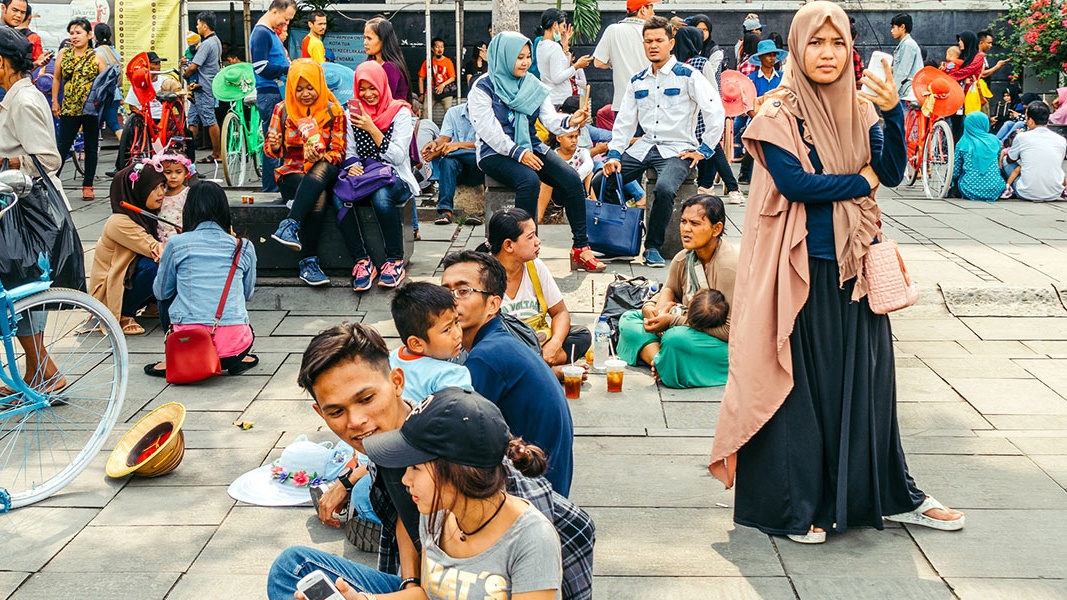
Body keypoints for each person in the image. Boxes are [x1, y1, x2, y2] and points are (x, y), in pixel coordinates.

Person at [709, 1, 964, 545]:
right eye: (815, 43)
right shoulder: (776, 114)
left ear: (850, 50)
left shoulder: (863, 106)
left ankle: (893, 494)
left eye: (837, 44)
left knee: (868, 389)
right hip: (802, 274)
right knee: (804, 390)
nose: (827, 54)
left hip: (859, 270)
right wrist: (861, 179)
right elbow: (798, 186)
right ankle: (801, 505)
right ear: (797, 50)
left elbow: (892, 172)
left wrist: (894, 114)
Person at [266, 323, 595, 600]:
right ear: (320, 413)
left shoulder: (466, 453)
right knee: (292, 568)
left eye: (366, 399)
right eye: (335, 411)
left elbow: (540, 554)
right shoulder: (392, 454)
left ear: (397, 382)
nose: (355, 422)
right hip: (433, 586)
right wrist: (408, 583)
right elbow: (402, 513)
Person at [591, 17, 725, 268]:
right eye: (648, 41)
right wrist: (614, 155)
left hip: (677, 150)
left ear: (671, 43)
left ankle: (652, 246)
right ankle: (616, 242)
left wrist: (704, 149)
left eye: (659, 40)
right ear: (643, 44)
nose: (654, 46)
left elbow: (715, 109)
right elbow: (625, 123)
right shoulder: (637, 80)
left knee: (664, 189)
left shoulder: (688, 76)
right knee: (603, 180)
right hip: (644, 147)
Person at [442, 251, 575, 497]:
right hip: (540, 480)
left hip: (531, 492)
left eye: (463, 291)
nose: (450, 302)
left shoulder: (487, 356)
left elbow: (454, 434)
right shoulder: (496, 341)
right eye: (445, 292)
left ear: (493, 304)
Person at [469, 31, 603, 273]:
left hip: (530, 144)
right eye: (518, 57)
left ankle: (581, 248)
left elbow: (550, 120)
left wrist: (572, 120)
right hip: (494, 152)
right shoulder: (483, 87)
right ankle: (524, 251)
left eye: (528, 57)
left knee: (572, 179)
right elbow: (489, 132)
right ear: (503, 56)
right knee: (529, 180)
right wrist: (519, 153)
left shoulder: (533, 85)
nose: (524, 62)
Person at [0, 26, 67, 395]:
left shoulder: (23, 100)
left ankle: (43, 369)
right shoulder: (16, 96)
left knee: (20, 288)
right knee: (20, 290)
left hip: (26, 210)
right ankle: (40, 369)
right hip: (17, 207)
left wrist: (4, 159)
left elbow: (47, 159)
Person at [615, 195, 735, 388]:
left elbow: (730, 331)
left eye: (695, 223)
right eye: (683, 222)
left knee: (675, 338)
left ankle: (665, 360)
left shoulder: (729, 266)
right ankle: (660, 362)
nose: (686, 229)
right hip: (686, 323)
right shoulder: (683, 258)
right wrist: (650, 307)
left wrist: (672, 321)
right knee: (629, 319)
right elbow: (670, 289)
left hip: (722, 343)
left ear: (716, 229)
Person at [144, 182, 259, 377]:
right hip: (235, 350)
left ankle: (173, 355)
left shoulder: (176, 243)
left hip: (189, 345)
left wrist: (166, 263)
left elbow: (161, 293)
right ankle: (232, 358)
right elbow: (247, 293)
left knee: (167, 296)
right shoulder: (244, 246)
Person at [335, 61, 418, 291]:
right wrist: (351, 166)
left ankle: (394, 260)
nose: (368, 94)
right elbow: (350, 152)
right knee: (338, 196)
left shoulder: (400, 112)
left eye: (373, 88)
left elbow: (399, 156)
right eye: (362, 88)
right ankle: (362, 261)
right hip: (365, 176)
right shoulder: (351, 113)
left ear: (382, 86)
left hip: (395, 177)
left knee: (381, 196)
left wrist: (372, 128)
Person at [480, 208, 593, 372]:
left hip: (536, 340)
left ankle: (534, 368)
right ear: (509, 245)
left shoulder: (535, 266)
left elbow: (560, 312)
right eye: (530, 237)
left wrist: (555, 344)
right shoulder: (482, 274)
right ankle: (550, 371)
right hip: (502, 345)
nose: (538, 241)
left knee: (581, 335)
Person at [266, 59, 347, 287]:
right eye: (298, 89)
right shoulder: (282, 110)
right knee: (317, 196)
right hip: (292, 173)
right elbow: (272, 153)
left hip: (325, 170)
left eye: (310, 87)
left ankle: (290, 225)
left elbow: (338, 152)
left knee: (320, 173)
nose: (305, 94)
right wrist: (274, 145)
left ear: (319, 84)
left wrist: (320, 156)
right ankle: (308, 262)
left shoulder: (334, 111)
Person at [88, 162, 167, 335]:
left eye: (163, 186)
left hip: (128, 279)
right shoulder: (119, 221)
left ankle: (152, 305)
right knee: (155, 264)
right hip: (109, 290)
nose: (161, 193)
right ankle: (125, 313)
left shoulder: (148, 214)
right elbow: (155, 249)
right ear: (137, 190)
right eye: (154, 188)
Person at [676, 21, 740, 203]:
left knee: (712, 149)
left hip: (699, 116)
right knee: (710, 149)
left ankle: (729, 187)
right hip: (695, 116)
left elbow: (711, 91)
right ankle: (710, 186)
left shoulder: (689, 62)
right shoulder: (691, 62)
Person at [389, 282, 472, 402]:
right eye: (447, 329)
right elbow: (462, 414)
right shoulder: (451, 375)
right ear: (416, 344)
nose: (458, 334)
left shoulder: (391, 358)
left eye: (456, 322)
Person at [51, 17, 105, 201]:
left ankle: (88, 185)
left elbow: (103, 84)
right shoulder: (63, 55)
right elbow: (57, 78)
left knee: (91, 147)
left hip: (91, 110)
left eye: (78, 33)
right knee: (62, 146)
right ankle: (52, 181)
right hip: (69, 107)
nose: (74, 37)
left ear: (89, 35)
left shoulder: (97, 56)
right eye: (72, 33)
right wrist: (54, 102)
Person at [250, 0, 296, 193]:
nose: (285, 25)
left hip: (275, 93)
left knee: (278, 140)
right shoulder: (261, 32)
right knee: (273, 141)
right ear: (275, 11)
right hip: (270, 94)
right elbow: (260, 67)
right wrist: (288, 68)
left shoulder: (268, 32)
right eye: (285, 19)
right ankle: (271, 188)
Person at [421, 102, 483, 225]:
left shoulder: (490, 112)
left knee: (479, 156)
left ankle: (478, 213)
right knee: (447, 161)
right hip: (458, 167)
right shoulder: (453, 112)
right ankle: (445, 211)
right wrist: (435, 144)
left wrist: (457, 146)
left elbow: (486, 144)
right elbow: (444, 138)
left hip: (478, 165)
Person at [592, 0, 659, 113]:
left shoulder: (613, 30)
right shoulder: (654, 33)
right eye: (651, 8)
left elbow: (598, 62)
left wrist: (616, 63)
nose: (654, 13)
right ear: (642, 10)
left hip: (623, 103)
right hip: (650, 102)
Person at [736, 39, 787, 183]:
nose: (772, 58)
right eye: (768, 55)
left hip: (780, 120)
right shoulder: (751, 80)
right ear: (760, 58)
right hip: (757, 120)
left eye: (774, 55)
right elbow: (749, 105)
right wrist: (760, 119)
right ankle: (746, 172)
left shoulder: (782, 78)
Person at [1001, 100, 1067, 202]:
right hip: (1054, 194)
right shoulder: (1061, 140)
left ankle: (1008, 187)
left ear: (1031, 120)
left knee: (1005, 160)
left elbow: (1010, 159)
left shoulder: (1022, 137)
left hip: (1026, 193)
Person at [183, 12, 222, 164]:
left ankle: (216, 153)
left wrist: (185, 73)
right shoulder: (215, 40)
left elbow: (194, 67)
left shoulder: (206, 44)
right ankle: (188, 153)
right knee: (192, 120)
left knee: (209, 120)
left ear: (205, 26)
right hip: (201, 87)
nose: (197, 27)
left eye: (198, 24)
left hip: (203, 86)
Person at [536, 9, 591, 107]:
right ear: (555, 25)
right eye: (563, 26)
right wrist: (577, 66)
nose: (564, 30)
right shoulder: (554, 47)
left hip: (551, 98)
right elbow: (557, 78)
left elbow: (562, 69)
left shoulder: (541, 45)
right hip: (559, 100)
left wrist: (565, 46)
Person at [951, 111, 1005, 202]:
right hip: (996, 190)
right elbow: (997, 158)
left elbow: (955, 171)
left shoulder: (962, 143)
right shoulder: (995, 140)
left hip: (970, 190)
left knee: (962, 175)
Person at [364, 17, 412, 104]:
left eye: (369, 38)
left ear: (383, 40)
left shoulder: (390, 67)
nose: (365, 42)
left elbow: (384, 101)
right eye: (364, 38)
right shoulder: (370, 63)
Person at [92, 23, 122, 142]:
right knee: (114, 123)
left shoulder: (95, 53)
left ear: (95, 37)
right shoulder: (115, 52)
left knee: (93, 124)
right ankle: (127, 149)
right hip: (114, 93)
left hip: (100, 95)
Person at [154, 154, 193, 242]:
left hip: (181, 237)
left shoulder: (188, 193)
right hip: (161, 238)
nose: (173, 176)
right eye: (168, 172)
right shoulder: (160, 194)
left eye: (178, 172)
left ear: (186, 173)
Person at [418, 37, 457, 116]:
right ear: (432, 48)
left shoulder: (448, 61)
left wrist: (442, 85)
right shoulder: (428, 62)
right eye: (437, 46)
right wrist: (421, 94)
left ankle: (447, 127)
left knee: (448, 110)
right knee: (426, 110)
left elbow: (452, 77)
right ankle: (427, 127)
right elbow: (421, 78)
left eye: (442, 47)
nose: (440, 49)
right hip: (431, 91)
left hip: (446, 91)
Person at [890, 13, 923, 99]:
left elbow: (903, 71)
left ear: (902, 27)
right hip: (905, 92)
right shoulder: (905, 44)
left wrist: (892, 92)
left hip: (908, 94)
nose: (891, 31)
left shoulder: (908, 45)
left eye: (893, 27)